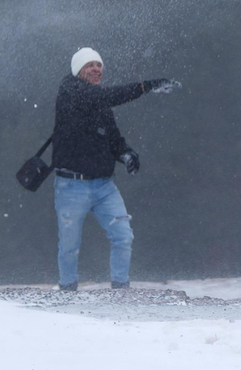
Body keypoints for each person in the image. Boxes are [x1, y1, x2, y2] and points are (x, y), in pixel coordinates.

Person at [52, 47, 176, 291]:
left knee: (123, 236)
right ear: (78, 70)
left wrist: (127, 154)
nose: (97, 69)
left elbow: (114, 140)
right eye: (91, 65)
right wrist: (145, 87)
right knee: (69, 244)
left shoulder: (100, 102)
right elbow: (106, 97)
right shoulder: (70, 91)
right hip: (71, 185)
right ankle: (67, 290)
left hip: (104, 186)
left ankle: (121, 288)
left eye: (99, 65)